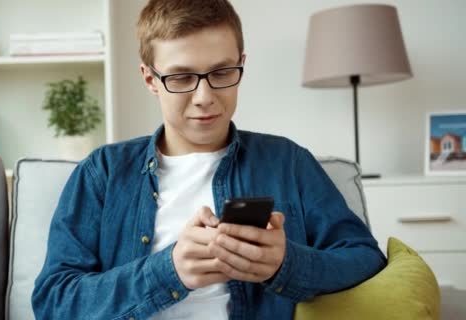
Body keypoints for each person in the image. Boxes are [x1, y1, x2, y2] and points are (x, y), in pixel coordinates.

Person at [32, 0, 386, 319]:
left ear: (240, 66)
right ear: (150, 79)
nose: (204, 97)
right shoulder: (103, 172)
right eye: (182, 77)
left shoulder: (287, 162)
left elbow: (365, 259)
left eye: (221, 73)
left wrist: (285, 263)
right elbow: (53, 301)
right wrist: (169, 270)